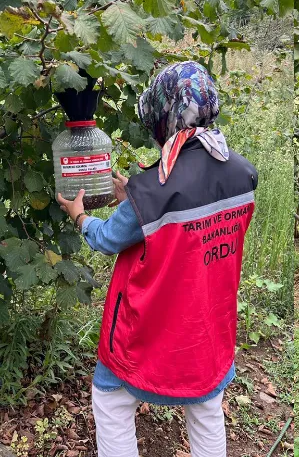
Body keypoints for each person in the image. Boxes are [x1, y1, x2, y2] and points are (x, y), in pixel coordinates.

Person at [55, 61, 258, 457]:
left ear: (163, 113)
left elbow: (110, 238)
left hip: (148, 330)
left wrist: (80, 217)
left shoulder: (152, 189)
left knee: (111, 400)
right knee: (206, 406)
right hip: (207, 327)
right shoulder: (242, 173)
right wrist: (134, 195)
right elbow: (191, 210)